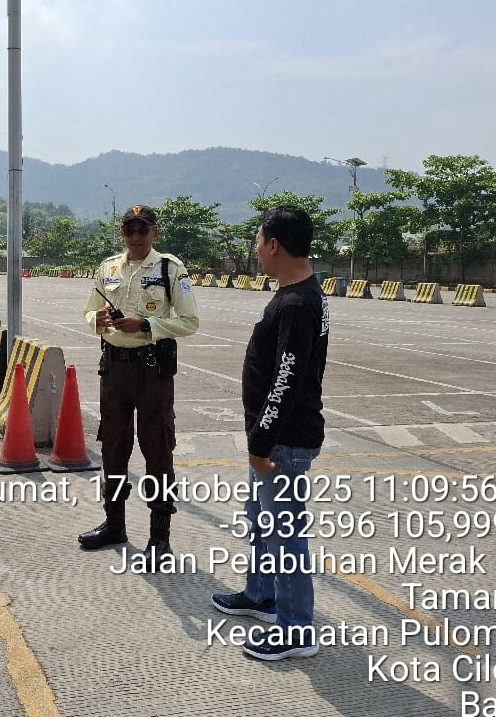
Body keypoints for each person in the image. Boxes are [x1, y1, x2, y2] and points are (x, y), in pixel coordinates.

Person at [211, 205, 330, 660]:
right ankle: (261, 595)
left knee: (284, 534)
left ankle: (296, 629)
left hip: (283, 440)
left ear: (274, 244)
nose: (257, 250)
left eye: (258, 241)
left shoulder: (297, 303)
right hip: (273, 435)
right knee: (262, 520)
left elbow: (286, 379)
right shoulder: (297, 294)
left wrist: (260, 443)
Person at [78, 204, 200, 571]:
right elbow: (89, 311)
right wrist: (98, 319)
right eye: (129, 230)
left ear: (155, 233)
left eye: (142, 230)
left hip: (152, 371)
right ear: (122, 233)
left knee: (157, 448)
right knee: (113, 447)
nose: (135, 237)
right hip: (114, 369)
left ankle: (160, 537)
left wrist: (146, 325)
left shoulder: (170, 269)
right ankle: (114, 524)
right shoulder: (108, 268)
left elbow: (189, 321)